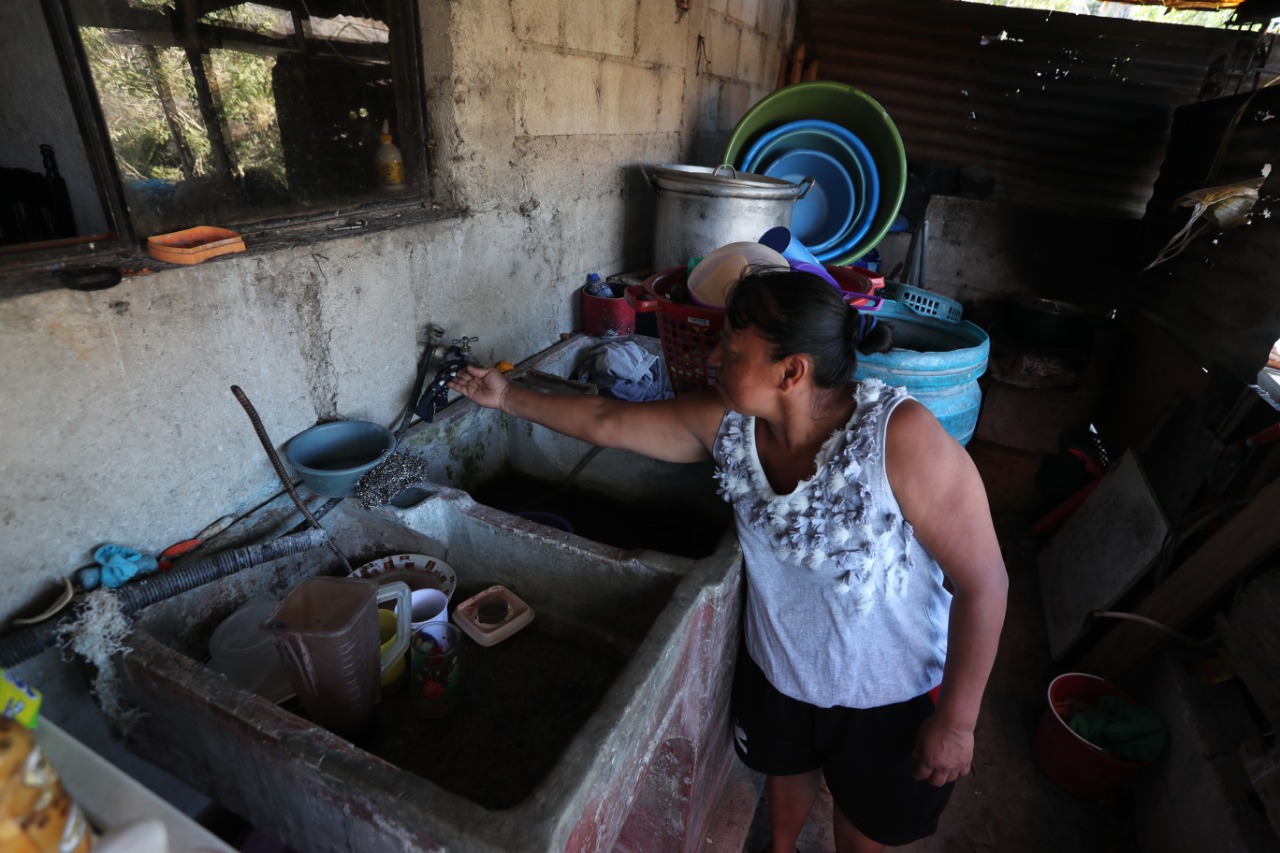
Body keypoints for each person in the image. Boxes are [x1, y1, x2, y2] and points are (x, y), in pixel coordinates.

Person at [449, 266, 1008, 853]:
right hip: (783, 675)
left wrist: (957, 721)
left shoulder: (898, 437)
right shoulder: (729, 425)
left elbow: (984, 584)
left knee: (863, 828)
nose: (714, 358)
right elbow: (606, 421)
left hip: (886, 696)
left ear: (791, 371)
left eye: (733, 350)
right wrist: (506, 396)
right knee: (786, 771)